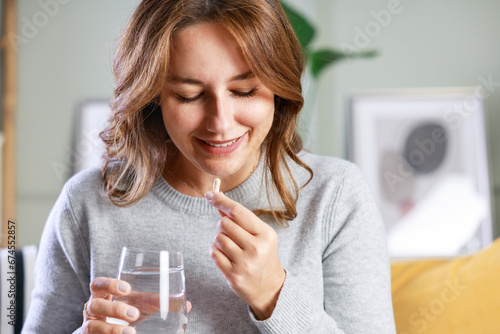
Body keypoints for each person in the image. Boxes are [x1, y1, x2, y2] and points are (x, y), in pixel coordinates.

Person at [23, 0, 396, 333]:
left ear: (279, 88)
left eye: (244, 91)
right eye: (189, 95)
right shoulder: (87, 204)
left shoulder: (335, 196)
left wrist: (272, 295)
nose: (220, 122)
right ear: (153, 95)